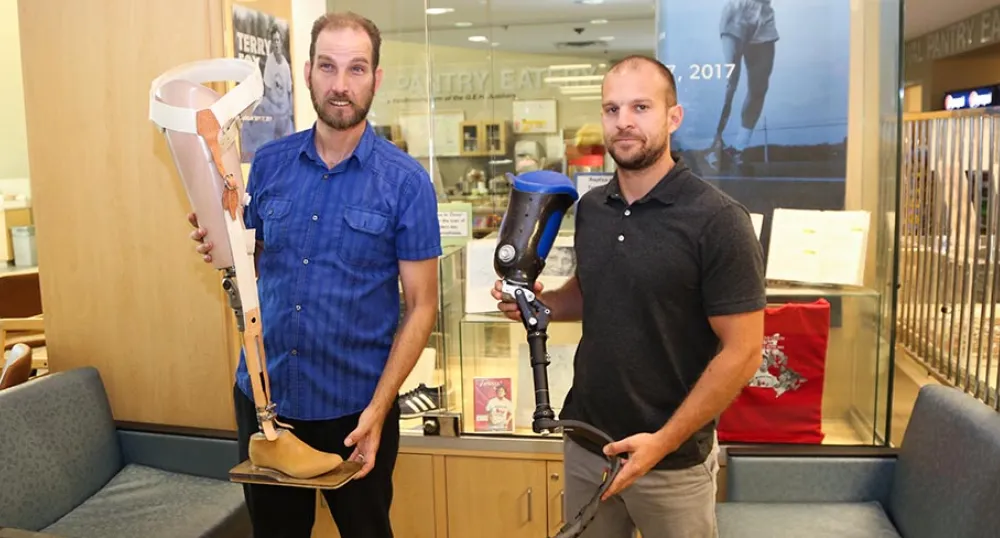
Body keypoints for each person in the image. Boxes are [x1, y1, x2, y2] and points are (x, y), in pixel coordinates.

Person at [188, 11, 442, 538]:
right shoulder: (271, 165)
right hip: (266, 403)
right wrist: (220, 239)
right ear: (306, 72)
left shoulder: (406, 183)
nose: (340, 85)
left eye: (356, 69)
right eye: (328, 67)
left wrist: (379, 408)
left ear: (376, 78)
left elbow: (421, 306)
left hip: (355, 412)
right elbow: (251, 270)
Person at [492, 55, 766, 537]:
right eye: (612, 109)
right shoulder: (594, 208)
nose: (624, 122)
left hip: (673, 461)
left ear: (672, 117)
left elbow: (743, 352)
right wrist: (541, 304)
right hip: (586, 445)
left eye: (640, 107)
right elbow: (590, 292)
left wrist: (662, 442)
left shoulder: (719, 221)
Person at [708, 0, 778, 170]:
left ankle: (739, 148)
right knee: (731, 83)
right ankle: (714, 146)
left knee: (759, 88)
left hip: (764, 15)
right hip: (738, 11)